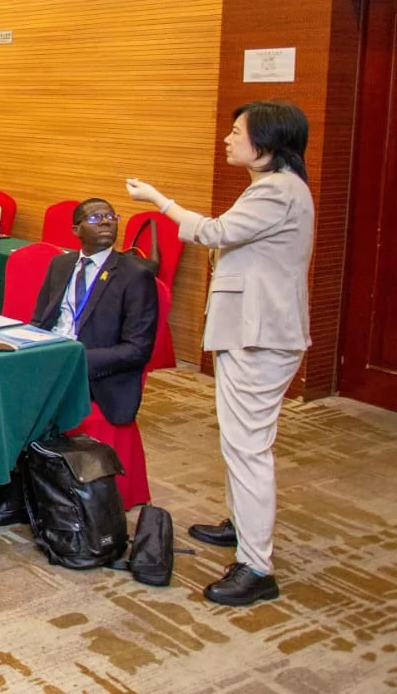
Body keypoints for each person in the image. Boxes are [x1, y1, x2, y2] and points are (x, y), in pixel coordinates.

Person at [126, 100, 313, 607]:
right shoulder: (274, 187)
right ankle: (242, 524)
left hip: (260, 337)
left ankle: (257, 567)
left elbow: (214, 232)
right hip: (251, 333)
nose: (228, 139)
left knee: (247, 446)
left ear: (267, 143)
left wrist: (158, 199)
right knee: (240, 441)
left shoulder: (277, 190)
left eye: (237, 132)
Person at [30, 198, 157, 424]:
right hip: (52, 358)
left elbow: (138, 349)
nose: (105, 222)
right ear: (76, 230)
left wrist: (75, 359)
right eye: (94, 218)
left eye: (111, 217)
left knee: (23, 401)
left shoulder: (135, 276)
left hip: (93, 375)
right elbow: (40, 322)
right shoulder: (60, 264)